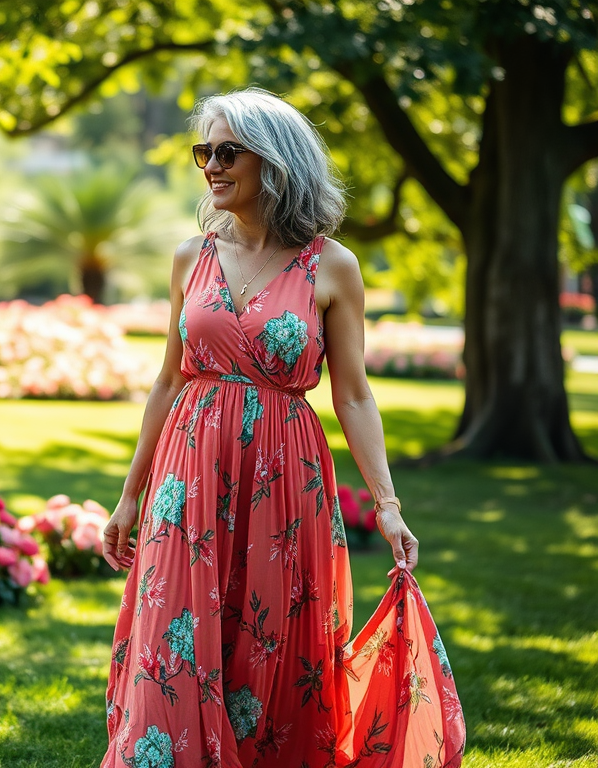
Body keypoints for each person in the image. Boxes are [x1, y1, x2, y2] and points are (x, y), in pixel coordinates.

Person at [99, 88, 464, 768]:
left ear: (276, 161)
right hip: (190, 472)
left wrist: (388, 508)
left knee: (270, 643)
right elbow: (169, 380)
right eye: (203, 150)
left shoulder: (332, 266)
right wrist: (130, 494)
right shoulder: (191, 257)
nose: (211, 163)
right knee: (176, 632)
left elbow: (354, 396)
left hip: (283, 476)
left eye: (227, 150)